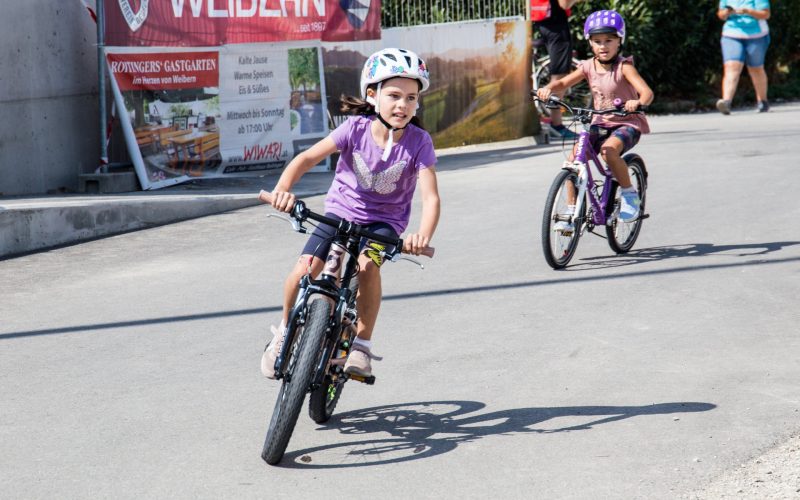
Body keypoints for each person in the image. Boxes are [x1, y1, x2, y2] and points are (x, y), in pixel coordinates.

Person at [260, 48, 441, 379]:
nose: (403, 104)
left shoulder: (419, 141)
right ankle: (285, 331)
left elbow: (431, 198)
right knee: (304, 269)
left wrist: (421, 237)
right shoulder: (354, 130)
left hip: (383, 225)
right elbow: (306, 160)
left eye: (411, 97)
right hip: (339, 214)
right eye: (394, 95)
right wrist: (283, 189)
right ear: (372, 96)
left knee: (368, 266)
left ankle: (361, 345)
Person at [536, 9, 654, 226]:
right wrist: (548, 89)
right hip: (600, 122)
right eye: (597, 41)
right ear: (590, 43)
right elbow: (562, 83)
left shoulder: (624, 67)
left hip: (626, 123)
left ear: (620, 41)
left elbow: (647, 92)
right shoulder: (588, 66)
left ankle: (629, 193)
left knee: (608, 152)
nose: (603, 46)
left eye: (609, 40)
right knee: (572, 163)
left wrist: (637, 102)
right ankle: (572, 214)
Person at [533, 0, 583, 140]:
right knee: (559, 78)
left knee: (557, 76)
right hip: (556, 25)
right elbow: (565, 4)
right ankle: (557, 124)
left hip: (543, 22)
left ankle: (552, 119)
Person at [716, 1, 771, 114]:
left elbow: (766, 14)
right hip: (732, 34)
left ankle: (762, 101)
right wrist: (726, 12)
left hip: (756, 35)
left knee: (756, 68)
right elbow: (720, 14)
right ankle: (726, 102)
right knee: (732, 67)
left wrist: (749, 11)